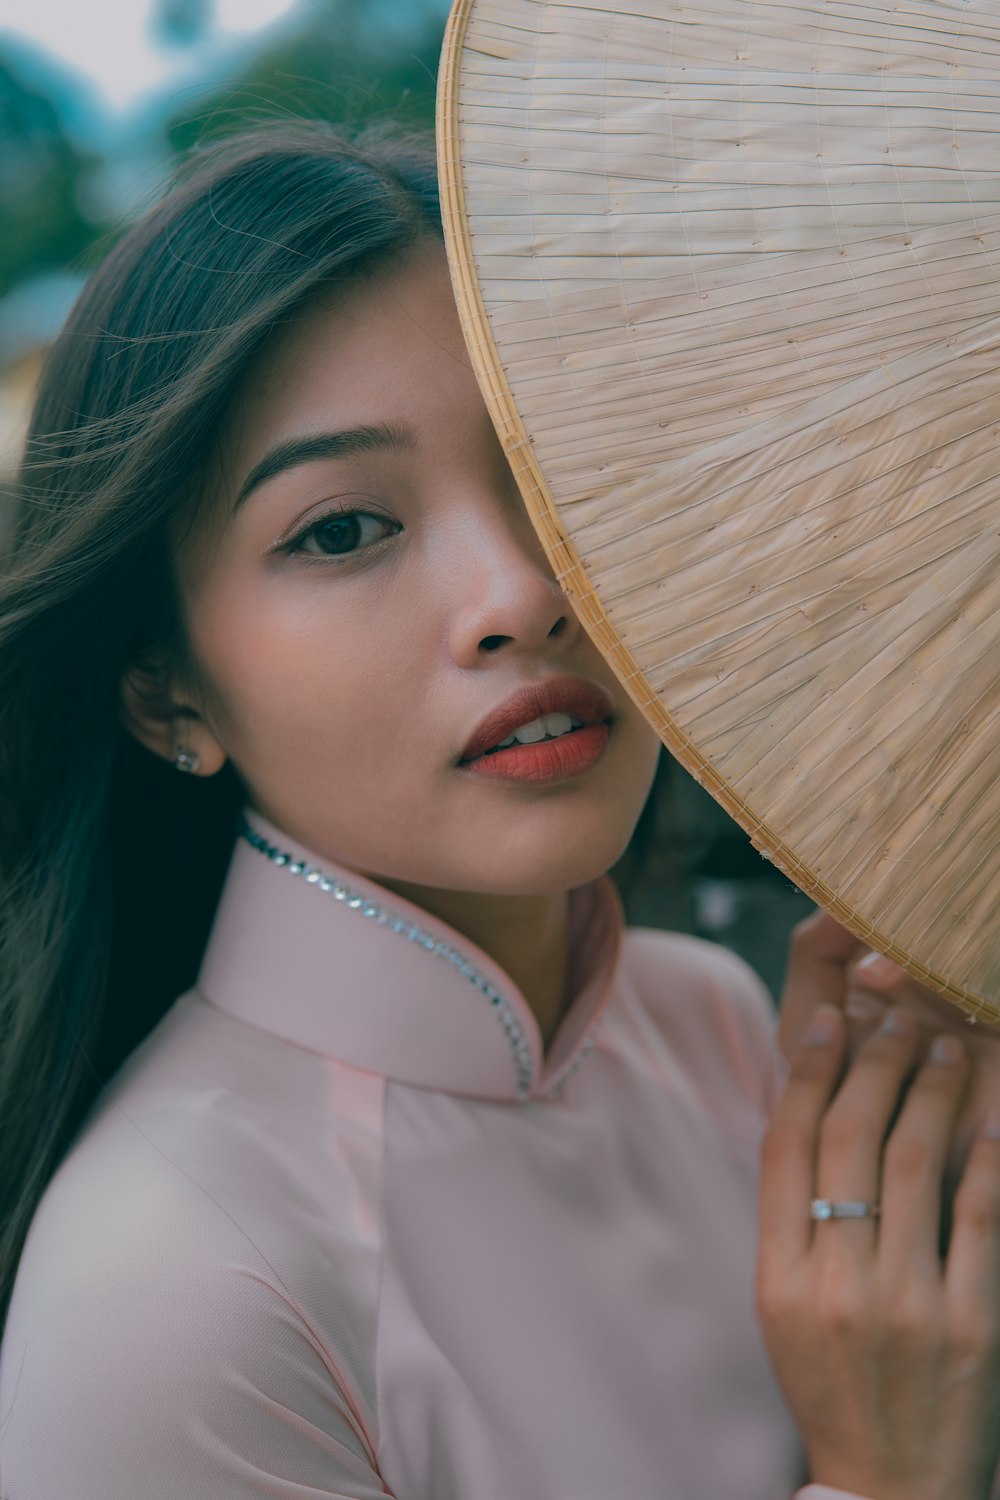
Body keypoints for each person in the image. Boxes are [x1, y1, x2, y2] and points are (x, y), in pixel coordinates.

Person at [0, 121, 997, 1500]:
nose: (523, 590)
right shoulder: (171, 1292)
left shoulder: (708, 1018)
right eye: (342, 529)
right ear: (165, 693)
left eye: (542, 472)